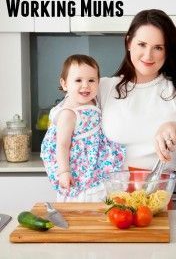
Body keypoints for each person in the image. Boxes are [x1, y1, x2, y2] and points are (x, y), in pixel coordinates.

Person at [98, 9, 176, 172]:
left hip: (158, 196)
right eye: (142, 44)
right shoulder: (103, 87)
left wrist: (175, 128)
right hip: (106, 196)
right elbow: (62, 117)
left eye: (158, 48)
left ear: (167, 51)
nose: (148, 55)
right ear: (128, 43)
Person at [41, 54, 125, 202]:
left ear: (98, 82)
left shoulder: (92, 101)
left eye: (91, 80)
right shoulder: (68, 113)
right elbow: (62, 145)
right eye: (78, 80)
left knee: (102, 196)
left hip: (95, 161)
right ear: (65, 84)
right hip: (78, 167)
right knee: (81, 198)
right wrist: (64, 172)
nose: (85, 85)